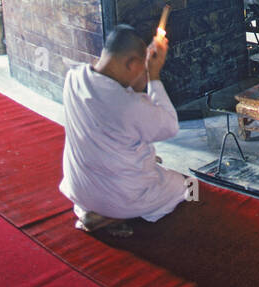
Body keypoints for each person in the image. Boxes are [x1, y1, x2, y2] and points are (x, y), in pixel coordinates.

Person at [60, 24, 190, 236]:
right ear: (130, 63)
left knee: (141, 151)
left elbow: (121, 100)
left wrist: (143, 65)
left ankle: (91, 211)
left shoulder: (73, 79)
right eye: (141, 67)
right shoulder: (128, 105)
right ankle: (110, 216)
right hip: (121, 197)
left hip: (80, 191)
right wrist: (154, 75)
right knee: (188, 187)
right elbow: (169, 126)